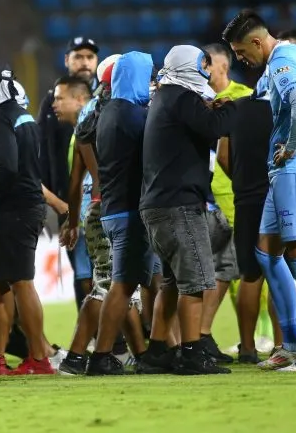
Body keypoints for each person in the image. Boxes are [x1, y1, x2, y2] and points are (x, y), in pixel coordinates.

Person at [223, 9, 296, 371]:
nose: (241, 59)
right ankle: (291, 345)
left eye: (241, 52)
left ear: (257, 41)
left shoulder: (283, 59)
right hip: (286, 170)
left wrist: (292, 144)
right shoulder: (285, 57)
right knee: (267, 253)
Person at [139, 45, 235, 376]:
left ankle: (157, 351)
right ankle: (191, 353)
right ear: (186, 66)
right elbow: (214, 128)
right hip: (179, 206)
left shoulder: (164, 98)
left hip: (158, 206)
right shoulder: (181, 97)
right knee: (194, 283)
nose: (206, 71)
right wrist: (231, 106)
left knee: (170, 283)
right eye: (201, 64)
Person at [0, 61, 54, 376]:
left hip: (15, 210)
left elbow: (7, 166)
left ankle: (39, 359)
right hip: (25, 206)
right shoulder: (23, 116)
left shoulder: (0, 119)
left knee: (21, 284)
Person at [85, 52, 158, 375]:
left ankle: (156, 349)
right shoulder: (132, 114)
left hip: (113, 207)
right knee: (123, 285)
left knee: (146, 281)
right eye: (148, 75)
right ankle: (101, 356)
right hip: (128, 210)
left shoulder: (108, 111)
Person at [216, 76, 281, 364]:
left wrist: (241, 182)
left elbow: (222, 156)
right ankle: (283, 345)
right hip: (277, 198)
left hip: (245, 200)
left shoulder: (236, 108)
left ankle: (247, 348)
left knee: (249, 275)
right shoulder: (284, 108)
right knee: (279, 273)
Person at [37, 36, 99, 308]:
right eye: (78, 57)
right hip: (69, 201)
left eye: (90, 57)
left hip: (100, 200)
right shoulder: (51, 104)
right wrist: (56, 201)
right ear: (67, 60)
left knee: (107, 273)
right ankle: (93, 328)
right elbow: (44, 153)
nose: (85, 62)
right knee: (84, 272)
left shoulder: (106, 96)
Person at [202, 43, 250, 362]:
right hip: (203, 199)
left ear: (224, 65)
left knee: (233, 271)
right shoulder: (196, 100)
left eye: (209, 63)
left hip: (235, 198)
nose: (204, 69)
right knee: (213, 271)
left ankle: (252, 339)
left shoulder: (245, 97)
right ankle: (196, 337)